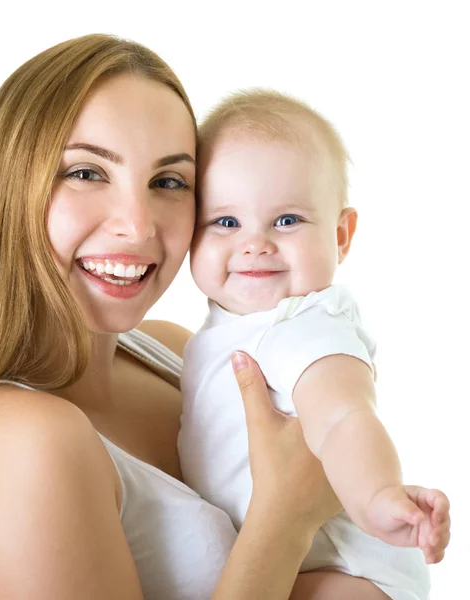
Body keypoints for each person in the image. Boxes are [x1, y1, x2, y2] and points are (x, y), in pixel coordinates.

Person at [0, 35, 353, 600]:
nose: (138, 226)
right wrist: (285, 518)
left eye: (168, 182)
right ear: (7, 187)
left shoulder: (174, 353)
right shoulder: (25, 444)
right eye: (87, 173)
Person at [178, 89, 451, 600]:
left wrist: (377, 497)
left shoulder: (304, 323)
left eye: (287, 220)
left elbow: (345, 415)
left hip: (347, 570)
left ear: (342, 235)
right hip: (295, 563)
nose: (254, 243)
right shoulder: (220, 333)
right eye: (225, 222)